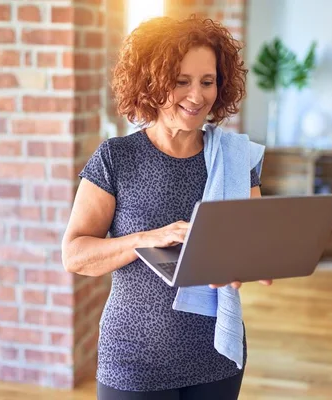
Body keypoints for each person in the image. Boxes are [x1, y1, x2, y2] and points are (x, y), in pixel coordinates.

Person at [62, 15, 272, 400]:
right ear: (150, 83)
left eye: (207, 82)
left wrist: (254, 263)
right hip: (134, 358)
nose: (197, 96)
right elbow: (75, 255)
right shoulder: (117, 158)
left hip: (216, 356)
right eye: (181, 81)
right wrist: (149, 238)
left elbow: (248, 245)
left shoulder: (236, 159)